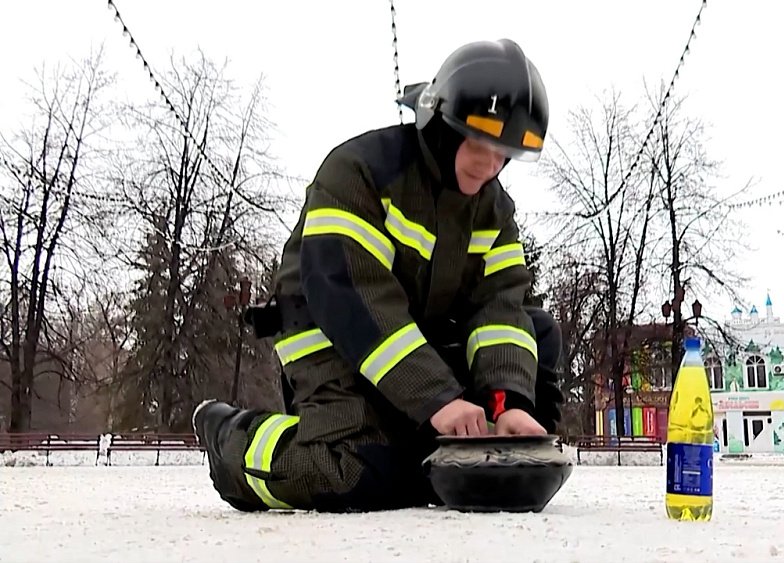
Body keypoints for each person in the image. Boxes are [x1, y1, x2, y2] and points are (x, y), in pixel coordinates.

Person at [192, 38, 565, 513]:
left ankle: (450, 464)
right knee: (362, 471)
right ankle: (233, 439)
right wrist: (438, 400)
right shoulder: (359, 172)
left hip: (411, 342)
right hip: (331, 337)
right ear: (443, 122)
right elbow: (352, 298)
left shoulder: (494, 210)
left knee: (538, 334)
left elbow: (500, 309)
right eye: (480, 142)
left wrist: (506, 405)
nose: (491, 165)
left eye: (505, 153)